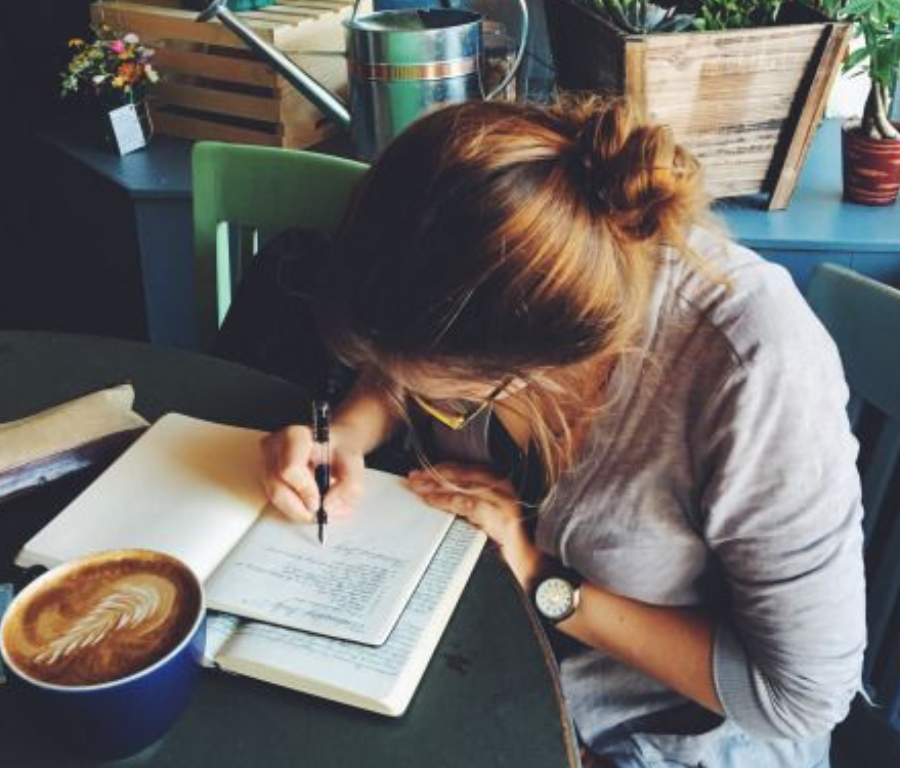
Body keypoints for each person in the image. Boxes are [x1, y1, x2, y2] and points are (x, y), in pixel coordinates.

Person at [259, 96, 865, 767]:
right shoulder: (497, 266)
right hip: (490, 667)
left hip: (667, 739)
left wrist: (538, 574)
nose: (429, 402)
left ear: (536, 364)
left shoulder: (754, 366)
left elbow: (799, 696)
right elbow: (406, 360)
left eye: (451, 398)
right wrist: (343, 434)